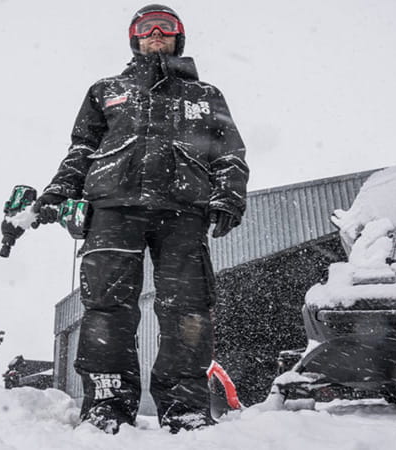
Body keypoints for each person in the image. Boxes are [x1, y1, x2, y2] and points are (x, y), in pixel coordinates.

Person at [35, 4, 248, 434]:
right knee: (107, 310)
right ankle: (107, 403)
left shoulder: (206, 96)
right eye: (145, 27)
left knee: (188, 310)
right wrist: (57, 192)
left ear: (178, 37)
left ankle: (184, 407)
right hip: (113, 209)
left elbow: (229, 154)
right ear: (134, 37)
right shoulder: (106, 90)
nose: (155, 32)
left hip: (183, 212)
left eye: (165, 27)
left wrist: (228, 196)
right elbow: (81, 150)